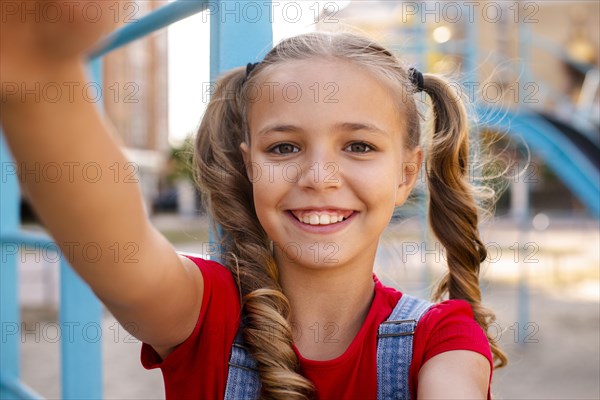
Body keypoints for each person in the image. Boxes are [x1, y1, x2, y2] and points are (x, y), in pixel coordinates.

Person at [1, 3, 506, 399]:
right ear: (249, 166)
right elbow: (120, 251)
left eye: (358, 146)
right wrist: (40, 76)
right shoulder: (205, 313)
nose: (318, 176)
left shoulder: (443, 337)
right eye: (284, 147)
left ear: (406, 173)